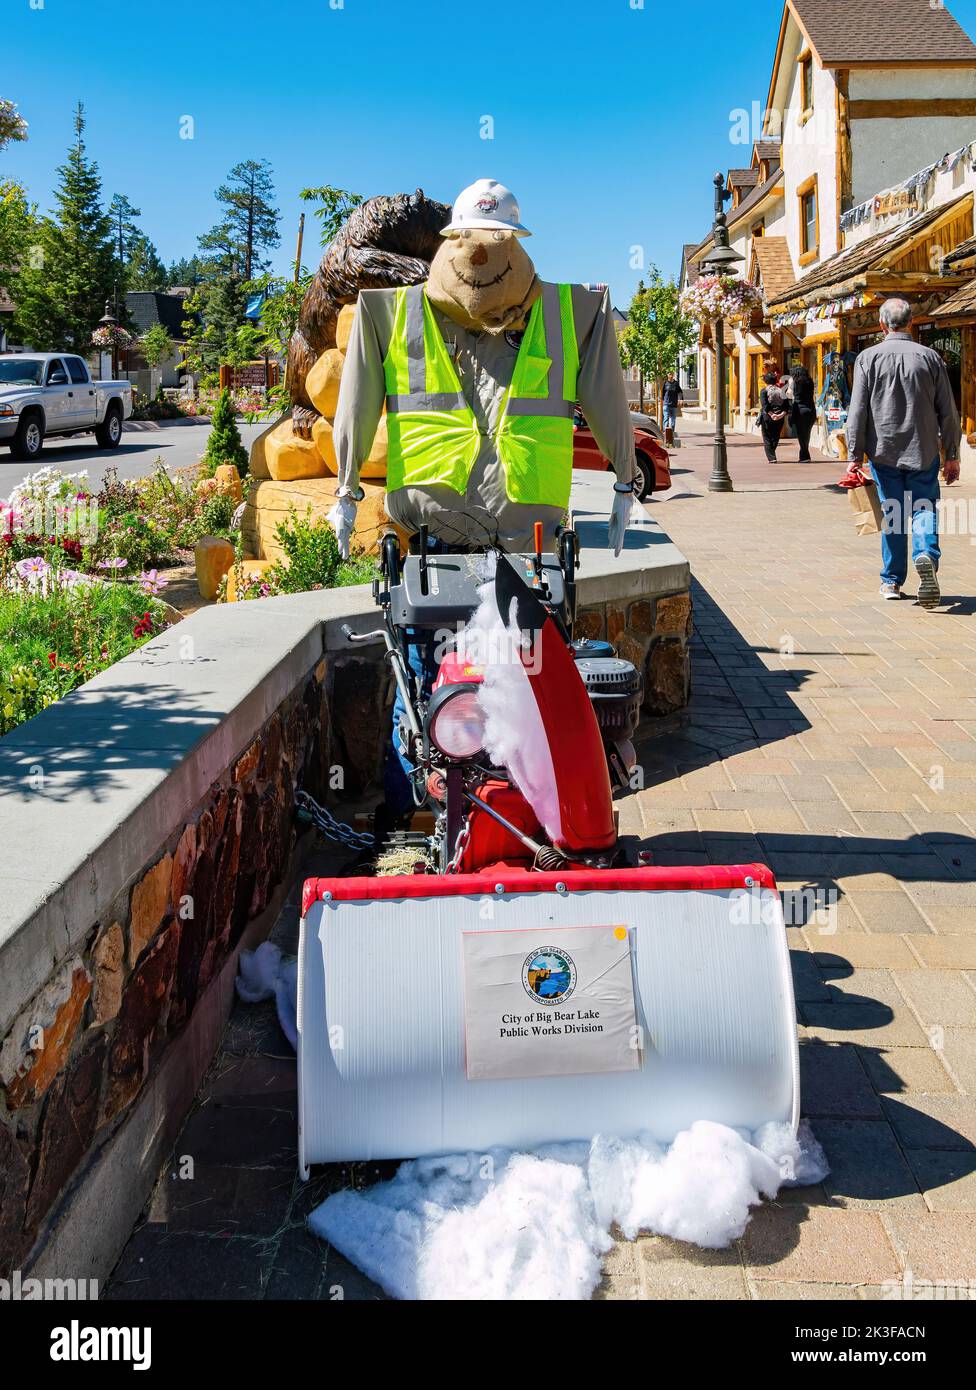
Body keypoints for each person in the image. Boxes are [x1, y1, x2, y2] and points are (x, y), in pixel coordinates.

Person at [330, 179, 639, 820]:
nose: (481, 255)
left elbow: (608, 397)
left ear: (515, 245)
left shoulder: (573, 312)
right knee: (424, 696)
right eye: (473, 239)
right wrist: (344, 484)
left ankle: (525, 817)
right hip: (435, 549)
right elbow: (355, 402)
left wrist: (624, 478)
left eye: (495, 241)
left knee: (527, 694)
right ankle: (413, 822)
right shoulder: (390, 312)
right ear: (451, 242)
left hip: (532, 553)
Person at [845, 297, 961, 607]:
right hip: (923, 449)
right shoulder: (930, 358)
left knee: (892, 513)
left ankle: (892, 581)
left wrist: (854, 455)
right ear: (910, 323)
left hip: (883, 452)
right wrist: (952, 453)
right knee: (923, 507)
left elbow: (856, 411)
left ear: (882, 325)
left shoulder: (867, 359)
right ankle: (926, 554)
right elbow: (948, 411)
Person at [759, 369, 789, 463]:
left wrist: (772, 415)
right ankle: (772, 454)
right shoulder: (782, 391)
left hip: (767, 417)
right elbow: (787, 406)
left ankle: (772, 457)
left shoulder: (764, 391)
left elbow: (764, 405)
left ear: (766, 381)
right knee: (776, 436)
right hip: (780, 417)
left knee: (766, 436)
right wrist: (780, 415)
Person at [788, 363, 817, 462]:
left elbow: (791, 395)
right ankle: (804, 454)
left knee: (801, 434)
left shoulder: (796, 382)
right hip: (811, 410)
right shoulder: (810, 381)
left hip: (800, 410)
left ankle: (804, 456)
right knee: (807, 433)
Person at [662, 373, 683, 444]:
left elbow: (680, 392)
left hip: (674, 404)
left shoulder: (676, 384)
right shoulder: (665, 383)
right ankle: (665, 433)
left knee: (673, 420)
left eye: (671, 374)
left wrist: (681, 399)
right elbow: (662, 393)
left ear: (673, 375)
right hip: (666, 404)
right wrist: (662, 401)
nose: (670, 375)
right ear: (667, 375)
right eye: (669, 374)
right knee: (666, 418)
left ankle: (672, 433)